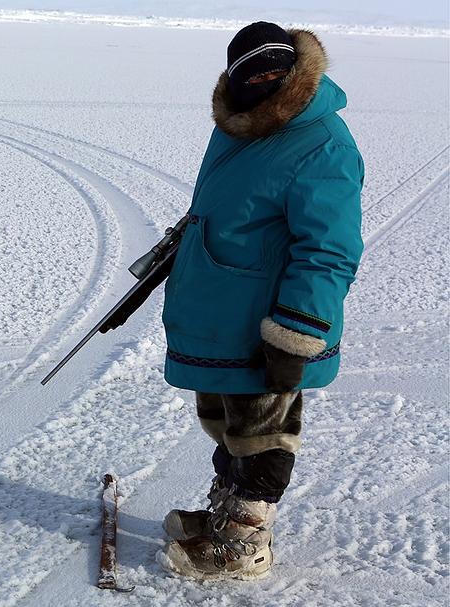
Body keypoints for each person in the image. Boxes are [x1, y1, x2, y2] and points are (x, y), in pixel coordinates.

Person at [156, 22, 364, 580]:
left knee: (263, 429)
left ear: (295, 70)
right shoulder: (239, 126)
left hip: (269, 320)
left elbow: (329, 249)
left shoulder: (323, 142)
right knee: (226, 422)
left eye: (276, 68)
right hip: (219, 310)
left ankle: (247, 543)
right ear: (236, 78)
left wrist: (297, 329)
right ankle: (226, 514)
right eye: (252, 72)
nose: (266, 79)